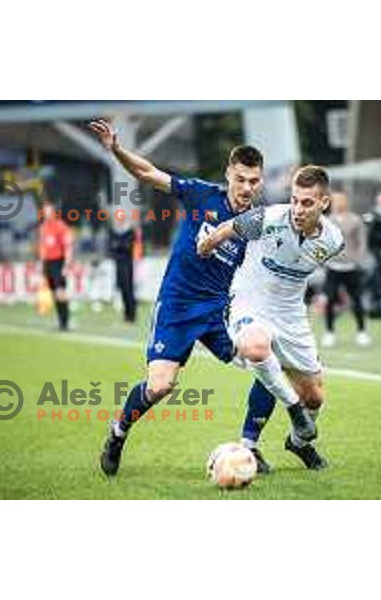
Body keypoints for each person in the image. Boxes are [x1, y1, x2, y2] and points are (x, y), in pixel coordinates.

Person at [88, 118, 275, 476]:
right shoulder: (200, 193)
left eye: (253, 180)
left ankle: (250, 444)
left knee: (266, 361)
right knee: (160, 386)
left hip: (219, 312)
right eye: (240, 179)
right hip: (177, 305)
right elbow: (148, 173)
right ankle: (118, 433)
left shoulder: (259, 223)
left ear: (260, 181)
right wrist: (116, 149)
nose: (246, 187)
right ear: (228, 175)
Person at [198, 165, 345, 470]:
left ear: (324, 203)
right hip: (249, 302)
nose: (298, 209)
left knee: (315, 396)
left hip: (291, 314)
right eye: (295, 200)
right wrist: (207, 244)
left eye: (307, 203)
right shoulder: (269, 218)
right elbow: (229, 228)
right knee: (256, 347)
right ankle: (293, 412)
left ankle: (298, 442)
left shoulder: (333, 240)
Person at [322, 192, 370, 348]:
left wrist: (358, 260)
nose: (338, 203)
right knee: (330, 300)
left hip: (351, 267)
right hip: (333, 266)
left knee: (357, 300)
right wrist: (325, 260)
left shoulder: (355, 220)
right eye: (335, 201)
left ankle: (362, 332)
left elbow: (362, 242)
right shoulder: (326, 221)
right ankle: (329, 332)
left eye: (341, 200)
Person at [38, 198, 73, 332]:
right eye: (44, 212)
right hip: (48, 263)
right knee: (53, 293)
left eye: (48, 212)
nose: (46, 214)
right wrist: (41, 265)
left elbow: (68, 246)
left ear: (53, 213)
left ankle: (65, 322)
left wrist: (66, 265)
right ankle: (60, 322)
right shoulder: (43, 228)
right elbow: (42, 247)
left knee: (60, 292)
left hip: (59, 262)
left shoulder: (60, 226)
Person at [108, 225, 137, 323]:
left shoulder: (130, 233)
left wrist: (118, 246)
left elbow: (125, 247)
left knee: (128, 288)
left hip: (126, 264)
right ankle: (127, 314)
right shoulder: (114, 233)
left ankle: (131, 315)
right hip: (119, 264)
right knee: (122, 289)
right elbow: (112, 248)